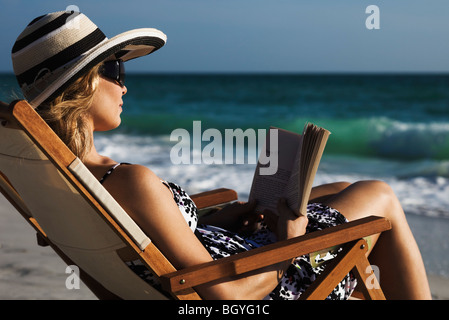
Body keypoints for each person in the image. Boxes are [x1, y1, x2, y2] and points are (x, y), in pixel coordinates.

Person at [11, 11, 431, 300]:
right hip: (262, 282)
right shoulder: (129, 180)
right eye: (115, 72)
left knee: (338, 189)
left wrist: (217, 218)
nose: (125, 87)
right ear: (83, 86)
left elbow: (148, 239)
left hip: (216, 259)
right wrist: (290, 244)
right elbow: (226, 297)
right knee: (379, 196)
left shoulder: (60, 182)